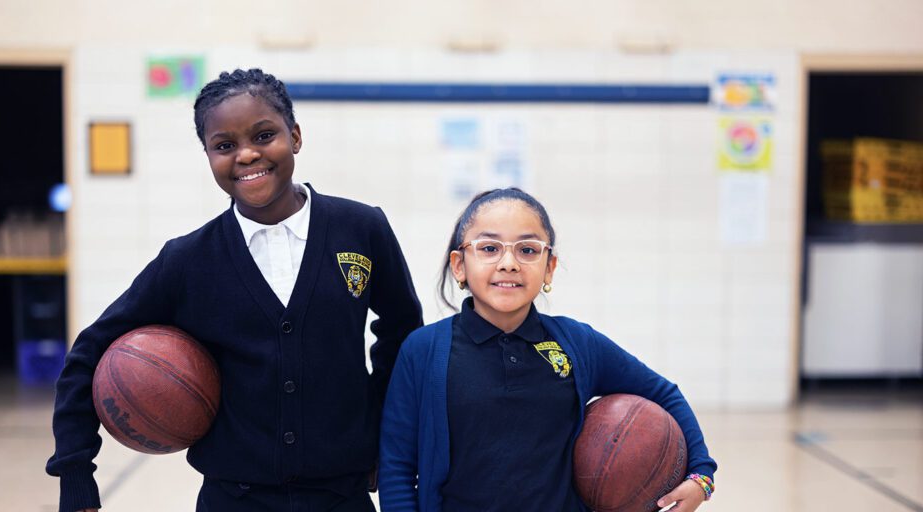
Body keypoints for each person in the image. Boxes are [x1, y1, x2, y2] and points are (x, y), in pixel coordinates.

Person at [46, 68, 423, 512]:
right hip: (233, 497)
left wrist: (383, 434)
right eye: (224, 146)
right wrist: (75, 473)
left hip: (342, 495)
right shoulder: (187, 260)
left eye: (264, 136)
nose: (246, 155)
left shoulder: (361, 229)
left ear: (295, 137)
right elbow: (89, 352)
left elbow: (403, 334)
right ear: (207, 155)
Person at [378, 188, 716, 512]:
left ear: (549, 267)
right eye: (489, 248)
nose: (508, 263)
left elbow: (664, 394)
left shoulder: (577, 343)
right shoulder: (423, 350)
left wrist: (701, 476)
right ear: (459, 265)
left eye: (527, 250)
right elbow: (397, 467)